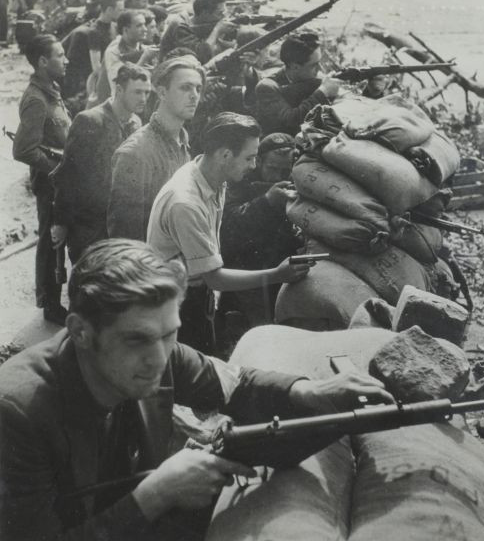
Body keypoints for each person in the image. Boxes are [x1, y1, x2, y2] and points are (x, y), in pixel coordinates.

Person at [0, 239, 393, 541]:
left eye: (170, 334)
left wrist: (307, 392)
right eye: (137, 340)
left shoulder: (158, 351)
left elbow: (235, 384)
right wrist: (156, 494)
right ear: (80, 331)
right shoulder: (17, 412)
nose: (159, 358)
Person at [147, 113, 308, 354]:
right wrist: (277, 274)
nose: (253, 166)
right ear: (224, 155)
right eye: (249, 158)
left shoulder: (212, 177)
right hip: (176, 301)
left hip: (194, 293)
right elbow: (213, 277)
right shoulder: (185, 202)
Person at [51, 64, 149, 263]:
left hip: (120, 225)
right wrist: (61, 222)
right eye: (137, 92)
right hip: (89, 227)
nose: (143, 98)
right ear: (119, 90)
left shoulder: (136, 122)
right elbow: (68, 174)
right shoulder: (90, 120)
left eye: (147, 92)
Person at [108, 56, 203, 242]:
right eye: (185, 87)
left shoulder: (182, 140)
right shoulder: (135, 153)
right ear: (162, 93)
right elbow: (126, 237)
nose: (194, 95)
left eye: (198, 88)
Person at [12, 34, 70, 325]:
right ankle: (49, 303)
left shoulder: (51, 88)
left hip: (58, 181)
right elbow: (22, 149)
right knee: (50, 241)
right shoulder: (36, 99)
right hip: (50, 184)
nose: (66, 59)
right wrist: (54, 170)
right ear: (43, 61)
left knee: (56, 240)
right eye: (60, 55)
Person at [220, 132, 301, 327]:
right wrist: (266, 202)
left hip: (283, 268)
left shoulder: (299, 180)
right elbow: (230, 226)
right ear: (259, 162)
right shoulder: (239, 180)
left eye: (285, 170)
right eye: (272, 168)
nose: (278, 176)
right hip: (249, 271)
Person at [255, 32, 343, 136]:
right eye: (314, 65)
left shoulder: (313, 78)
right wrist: (322, 92)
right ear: (295, 67)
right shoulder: (267, 87)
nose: (320, 69)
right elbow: (290, 120)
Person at [94, 10, 157, 104]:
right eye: (139, 26)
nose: (145, 29)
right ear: (125, 30)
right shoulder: (114, 51)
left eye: (144, 24)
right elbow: (121, 84)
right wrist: (144, 58)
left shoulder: (141, 47)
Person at [159, 0, 235, 63]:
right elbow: (202, 57)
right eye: (219, 13)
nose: (223, 17)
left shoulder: (200, 22)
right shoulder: (180, 26)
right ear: (204, 13)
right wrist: (217, 30)